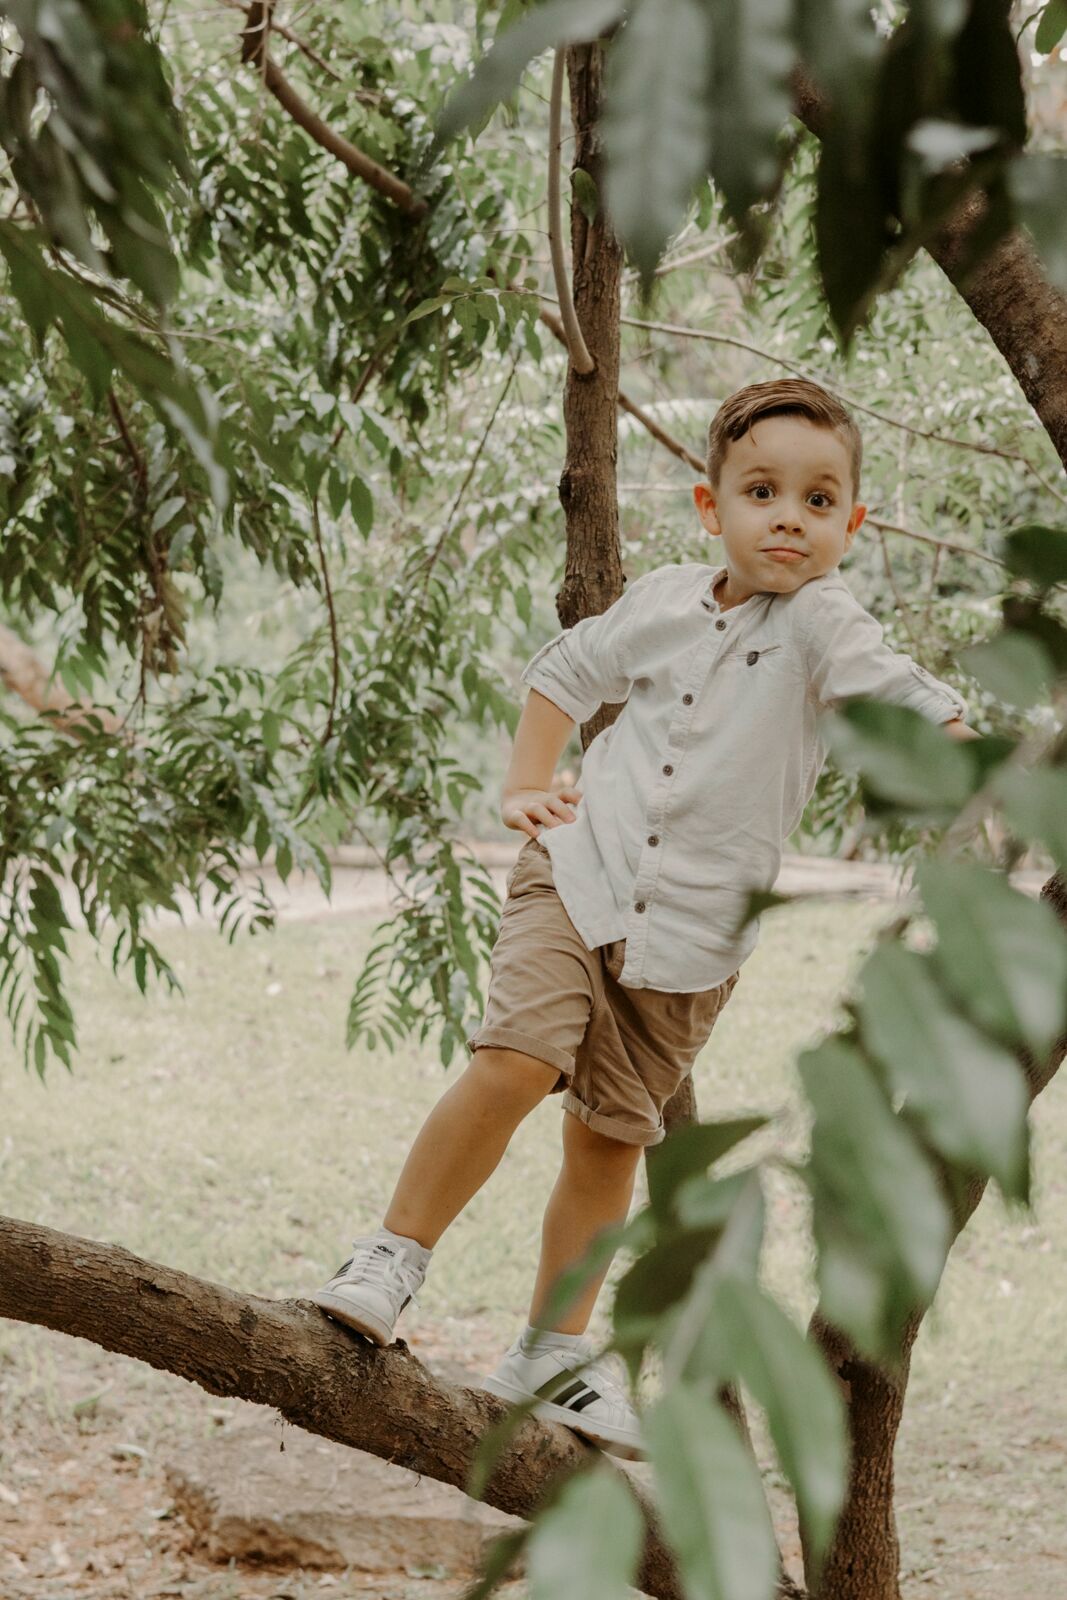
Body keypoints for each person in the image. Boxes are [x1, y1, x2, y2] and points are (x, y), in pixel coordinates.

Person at [310, 378, 977, 1460]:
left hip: (689, 941)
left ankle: (548, 1350)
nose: (787, 519)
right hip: (578, 872)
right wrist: (527, 779)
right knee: (516, 1059)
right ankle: (388, 1255)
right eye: (761, 491)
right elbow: (567, 670)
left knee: (609, 1141)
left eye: (817, 501)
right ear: (709, 507)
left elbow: (901, 697)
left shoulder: (823, 625)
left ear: (851, 527)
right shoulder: (667, 597)